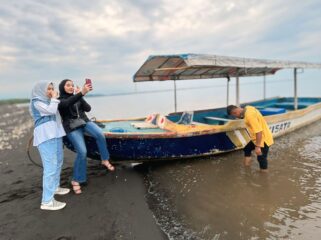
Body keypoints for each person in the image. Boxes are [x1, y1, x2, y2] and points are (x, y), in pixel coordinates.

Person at [58, 79, 115, 194]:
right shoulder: (60, 100)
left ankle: (104, 159)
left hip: (84, 122)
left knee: (100, 134)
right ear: (62, 87)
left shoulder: (77, 96)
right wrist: (81, 93)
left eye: (72, 85)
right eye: (68, 85)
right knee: (82, 152)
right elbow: (67, 103)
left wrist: (81, 96)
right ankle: (76, 180)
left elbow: (88, 109)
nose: (70, 87)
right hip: (71, 126)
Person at [30, 81, 70, 211]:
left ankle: (55, 187)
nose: (51, 91)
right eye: (48, 89)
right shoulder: (37, 102)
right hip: (46, 136)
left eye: (52, 88)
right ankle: (46, 201)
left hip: (55, 134)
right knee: (50, 167)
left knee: (58, 161)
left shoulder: (49, 100)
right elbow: (51, 110)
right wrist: (54, 98)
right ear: (41, 90)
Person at [227, 105, 274, 172]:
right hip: (256, 138)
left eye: (234, 115)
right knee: (247, 149)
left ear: (235, 112)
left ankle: (264, 176)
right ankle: (247, 168)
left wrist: (258, 146)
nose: (236, 117)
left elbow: (259, 131)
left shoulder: (249, 116)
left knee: (261, 158)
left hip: (263, 139)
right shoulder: (248, 108)